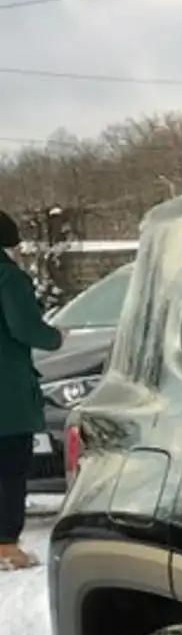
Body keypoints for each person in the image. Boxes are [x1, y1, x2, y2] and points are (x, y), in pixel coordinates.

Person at [0, 210, 62, 571]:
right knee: (10, 469)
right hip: (6, 397)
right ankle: (6, 545)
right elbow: (26, 328)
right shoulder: (8, 278)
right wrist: (55, 336)